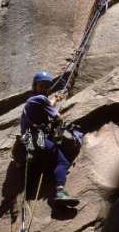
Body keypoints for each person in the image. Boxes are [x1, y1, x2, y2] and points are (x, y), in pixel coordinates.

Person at [20, 71, 79, 206]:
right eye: (42, 85)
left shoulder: (33, 101)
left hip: (30, 140)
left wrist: (56, 99)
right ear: (35, 86)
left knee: (46, 161)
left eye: (47, 86)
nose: (45, 88)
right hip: (37, 138)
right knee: (62, 161)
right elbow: (57, 116)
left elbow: (48, 105)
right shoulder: (40, 99)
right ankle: (60, 192)